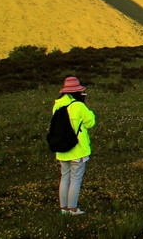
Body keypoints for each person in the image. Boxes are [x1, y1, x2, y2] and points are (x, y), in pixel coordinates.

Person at [53, 76, 96, 216]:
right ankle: (73, 209)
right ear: (77, 92)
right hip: (77, 149)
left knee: (64, 178)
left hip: (62, 149)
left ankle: (63, 208)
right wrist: (86, 106)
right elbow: (90, 123)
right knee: (76, 179)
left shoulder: (57, 104)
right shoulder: (79, 106)